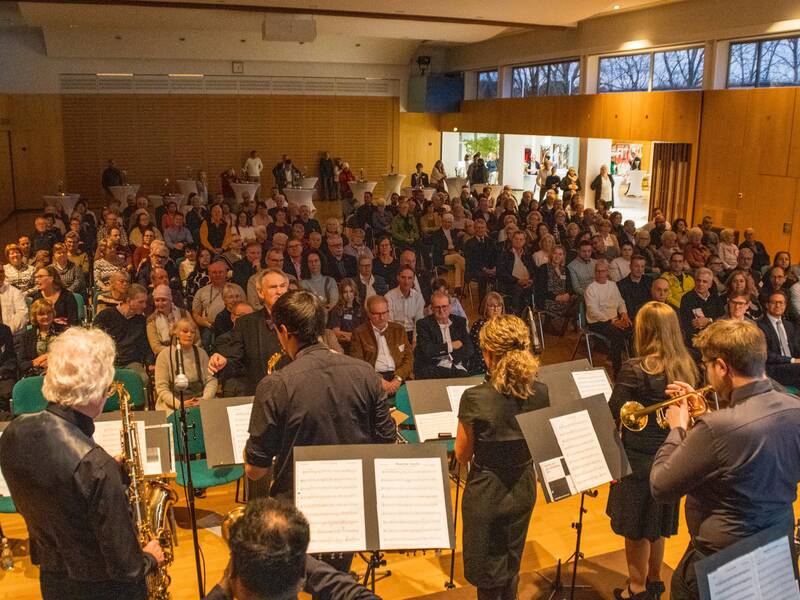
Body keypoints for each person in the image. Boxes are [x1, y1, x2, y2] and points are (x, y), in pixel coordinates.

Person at [0, 327, 165, 600]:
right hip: (105, 591)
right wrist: (150, 557)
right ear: (99, 391)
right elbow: (128, 568)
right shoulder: (95, 467)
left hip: (53, 581)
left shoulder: (14, 433)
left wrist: (102, 472)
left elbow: (55, 488)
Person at [650, 319, 800, 599]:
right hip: (776, 552)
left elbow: (661, 486)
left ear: (722, 366)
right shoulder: (794, 408)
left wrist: (678, 427)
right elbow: (749, 453)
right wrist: (706, 415)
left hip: (723, 566)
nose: (707, 374)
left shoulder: (716, 429)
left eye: (706, 366)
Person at [242, 289, 395, 509]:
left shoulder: (275, 385)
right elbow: (387, 440)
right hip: (357, 501)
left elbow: (255, 471)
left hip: (299, 508)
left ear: (284, 331)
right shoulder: (366, 373)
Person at [606, 302, 699, 600]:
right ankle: (656, 581)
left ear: (645, 330)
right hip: (671, 456)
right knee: (656, 525)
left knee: (635, 529)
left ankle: (636, 588)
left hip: (637, 460)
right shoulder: (686, 365)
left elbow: (614, 411)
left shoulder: (636, 368)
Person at [455, 314, 549, 600]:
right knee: (511, 562)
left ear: (489, 355)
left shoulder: (475, 398)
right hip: (522, 488)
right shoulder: (541, 392)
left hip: (487, 493)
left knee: (487, 574)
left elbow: (462, 454)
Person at [204, 498, 378, 600]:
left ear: (233, 569)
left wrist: (223, 588)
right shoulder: (302, 572)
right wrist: (294, 558)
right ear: (302, 574)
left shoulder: (232, 575)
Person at [209, 269, 291, 396]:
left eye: (282, 286)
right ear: (260, 292)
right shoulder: (246, 323)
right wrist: (223, 362)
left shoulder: (301, 319)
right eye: (273, 287)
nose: (279, 291)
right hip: (261, 396)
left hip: (295, 394)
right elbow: (235, 362)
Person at [350, 295, 413, 396]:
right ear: (369, 314)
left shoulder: (399, 330)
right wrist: (379, 380)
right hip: (374, 377)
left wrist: (398, 378)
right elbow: (359, 364)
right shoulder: (359, 333)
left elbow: (409, 359)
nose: (381, 317)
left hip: (399, 375)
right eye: (377, 314)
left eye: (384, 313)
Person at [93, 283, 151, 391]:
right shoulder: (106, 316)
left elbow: (145, 345)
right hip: (108, 362)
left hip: (131, 362)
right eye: (140, 302)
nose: (144, 306)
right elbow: (94, 341)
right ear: (128, 300)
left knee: (142, 379)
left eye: (145, 302)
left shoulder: (141, 320)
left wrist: (150, 363)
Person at [154, 318, 218, 413]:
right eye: (185, 331)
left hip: (200, 400)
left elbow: (211, 380)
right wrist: (180, 404)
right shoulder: (164, 355)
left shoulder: (201, 353)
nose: (189, 335)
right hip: (174, 403)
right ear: (175, 333)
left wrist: (204, 400)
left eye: (192, 332)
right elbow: (162, 388)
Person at [584, 259, 632, 376]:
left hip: (615, 319)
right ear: (595, 272)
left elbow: (620, 302)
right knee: (617, 334)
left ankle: (633, 365)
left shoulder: (613, 285)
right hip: (597, 321)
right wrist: (612, 321)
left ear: (607, 272)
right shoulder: (590, 289)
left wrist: (624, 315)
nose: (601, 274)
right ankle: (618, 370)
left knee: (633, 329)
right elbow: (593, 311)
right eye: (598, 271)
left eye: (603, 271)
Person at [414, 291, 474, 379]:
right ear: (432, 308)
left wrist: (451, 358)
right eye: (437, 307)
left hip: (457, 367)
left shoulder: (459, 322)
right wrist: (450, 346)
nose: (441, 310)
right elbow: (427, 350)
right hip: (433, 368)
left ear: (450, 307)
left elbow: (469, 349)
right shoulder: (423, 324)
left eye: (444, 307)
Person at [756, 291, 800, 386]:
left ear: (785, 305)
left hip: (792, 366)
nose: (778, 305)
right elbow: (766, 354)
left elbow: (796, 347)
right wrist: (792, 360)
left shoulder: (789, 326)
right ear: (767, 305)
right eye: (774, 302)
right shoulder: (759, 326)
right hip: (774, 368)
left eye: (781, 302)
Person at [146, 284, 191, 356]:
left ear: (170, 300)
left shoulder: (183, 314)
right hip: (164, 355)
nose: (160, 304)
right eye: (157, 300)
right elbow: (155, 347)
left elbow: (196, 337)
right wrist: (176, 351)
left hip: (187, 352)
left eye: (163, 300)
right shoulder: (151, 320)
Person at [385, 266, 425, 342]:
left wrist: (415, 341)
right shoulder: (389, 297)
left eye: (410, 278)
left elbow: (418, 322)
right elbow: (389, 323)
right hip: (396, 333)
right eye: (403, 277)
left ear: (413, 279)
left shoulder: (418, 297)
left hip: (412, 332)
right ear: (398, 278)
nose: (406, 281)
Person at [327, 278, 363, 355]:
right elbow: (336, 332)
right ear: (341, 294)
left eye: (351, 291)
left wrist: (353, 337)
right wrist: (354, 336)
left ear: (355, 292)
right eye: (345, 292)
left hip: (359, 344)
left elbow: (364, 330)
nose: (348, 295)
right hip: (343, 345)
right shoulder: (337, 310)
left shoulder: (360, 309)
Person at [617, 255, 651, 321]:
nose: (640, 269)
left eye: (642, 266)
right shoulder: (621, 285)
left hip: (649, 315)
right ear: (630, 267)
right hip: (632, 319)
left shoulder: (649, 281)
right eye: (636, 266)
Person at [0, 265, 28, 334]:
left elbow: (22, 315)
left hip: (10, 336)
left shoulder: (15, 292)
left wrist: (6, 332)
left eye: (1, 272)